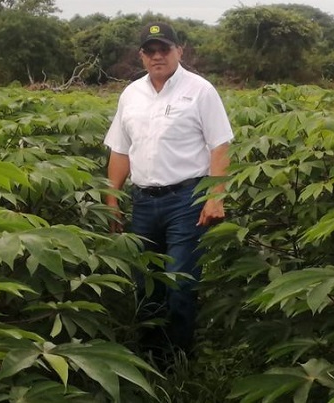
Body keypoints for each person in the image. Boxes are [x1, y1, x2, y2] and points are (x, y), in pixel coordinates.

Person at [103, 21, 234, 359]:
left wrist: (215, 196)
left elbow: (220, 146)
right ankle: (149, 355)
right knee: (146, 282)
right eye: (150, 50)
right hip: (143, 201)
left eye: (164, 49)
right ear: (142, 55)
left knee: (181, 282)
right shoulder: (131, 94)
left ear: (180, 51)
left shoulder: (200, 90)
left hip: (186, 200)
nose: (157, 56)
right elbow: (120, 151)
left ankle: (178, 361)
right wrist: (111, 199)